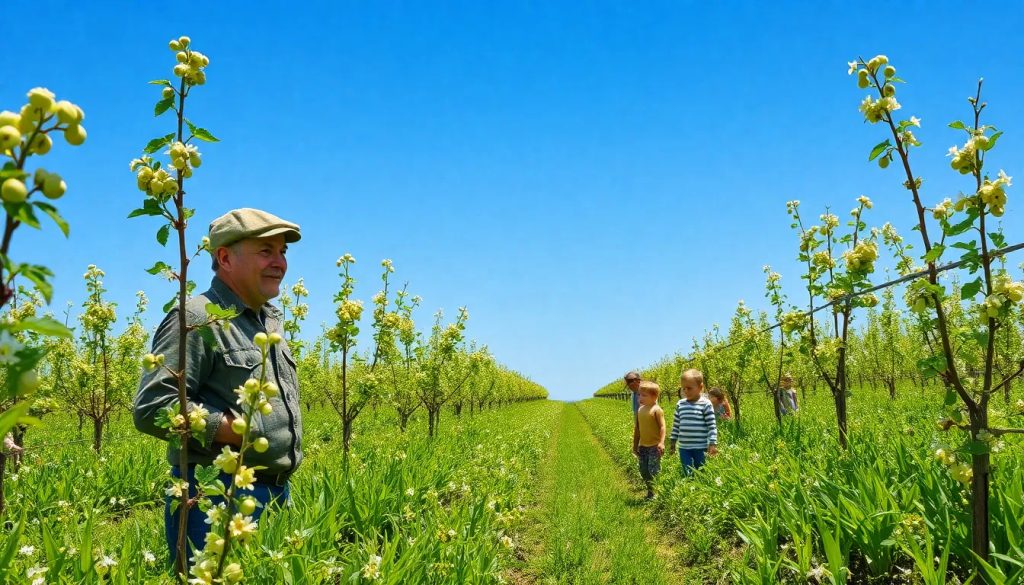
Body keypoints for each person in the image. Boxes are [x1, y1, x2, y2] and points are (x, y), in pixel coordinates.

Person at [133, 208, 303, 564]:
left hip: (276, 494)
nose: (279, 263)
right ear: (225, 258)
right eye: (266, 251)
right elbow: (152, 407)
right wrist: (236, 430)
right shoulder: (197, 318)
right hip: (213, 495)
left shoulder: (269, 320)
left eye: (282, 252)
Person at [669, 368, 718, 475]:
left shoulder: (706, 404)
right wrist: (672, 442)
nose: (686, 391)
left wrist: (712, 443)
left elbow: (711, 426)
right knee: (687, 472)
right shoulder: (680, 404)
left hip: (701, 447)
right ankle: (689, 484)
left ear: (700, 387)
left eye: (689, 388)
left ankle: (702, 485)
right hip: (684, 448)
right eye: (683, 388)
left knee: (701, 471)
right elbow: (676, 425)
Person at [633, 381, 665, 500]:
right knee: (643, 470)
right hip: (643, 446)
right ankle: (650, 491)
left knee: (653, 470)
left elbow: (662, 427)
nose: (640, 398)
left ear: (654, 397)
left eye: (644, 395)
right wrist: (635, 445)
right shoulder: (640, 410)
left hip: (654, 446)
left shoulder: (656, 410)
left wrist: (661, 442)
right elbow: (637, 429)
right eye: (639, 395)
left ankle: (657, 492)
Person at [624, 370, 642, 459]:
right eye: (628, 382)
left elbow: (639, 422)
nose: (630, 384)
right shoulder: (634, 395)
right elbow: (637, 421)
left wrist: (635, 447)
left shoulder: (643, 393)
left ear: (638, 380)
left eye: (631, 381)